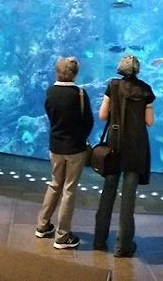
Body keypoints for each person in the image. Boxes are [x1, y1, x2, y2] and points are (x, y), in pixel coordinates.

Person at [94, 55, 155, 258]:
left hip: (115, 143)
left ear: (120, 69)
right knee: (128, 197)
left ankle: (99, 240)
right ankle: (123, 246)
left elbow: (102, 115)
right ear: (137, 70)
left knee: (108, 192)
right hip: (136, 146)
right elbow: (149, 122)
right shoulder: (146, 90)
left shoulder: (112, 86)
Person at [36, 57, 93, 249]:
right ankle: (62, 235)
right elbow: (88, 122)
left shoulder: (50, 92)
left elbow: (50, 115)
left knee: (54, 184)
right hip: (75, 148)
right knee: (69, 189)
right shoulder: (80, 94)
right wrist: (80, 136)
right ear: (75, 73)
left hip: (56, 147)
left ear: (57, 71)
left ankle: (42, 226)